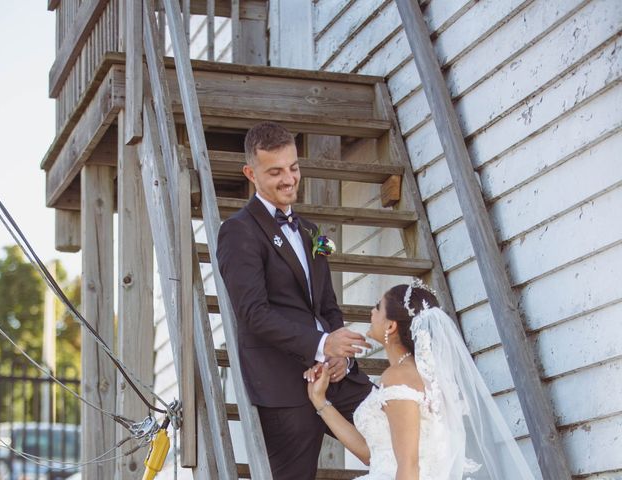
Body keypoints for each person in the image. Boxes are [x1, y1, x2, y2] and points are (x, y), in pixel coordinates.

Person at [216, 121, 374, 480]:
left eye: (294, 168)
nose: (289, 179)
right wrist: (321, 343)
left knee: (403, 438)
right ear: (250, 174)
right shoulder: (238, 231)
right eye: (275, 172)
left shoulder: (310, 231)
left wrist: (338, 357)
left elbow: (327, 306)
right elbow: (253, 314)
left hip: (338, 378)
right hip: (282, 386)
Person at [305, 278, 535, 480]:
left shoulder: (398, 377)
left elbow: (409, 465)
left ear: (391, 326)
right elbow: (370, 453)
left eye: (377, 307)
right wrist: (320, 401)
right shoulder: (420, 375)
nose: (372, 312)